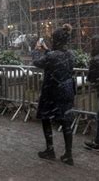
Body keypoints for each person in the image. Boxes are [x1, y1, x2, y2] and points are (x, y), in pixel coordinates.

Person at [32, 24, 76, 166]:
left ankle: (50, 150)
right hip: (67, 91)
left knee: (46, 118)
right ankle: (68, 154)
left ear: (55, 40)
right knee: (66, 121)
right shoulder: (70, 54)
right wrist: (47, 51)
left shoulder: (52, 56)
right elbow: (58, 58)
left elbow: (37, 62)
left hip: (51, 92)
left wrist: (37, 50)